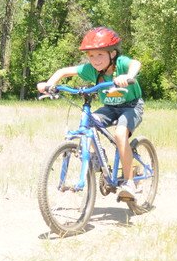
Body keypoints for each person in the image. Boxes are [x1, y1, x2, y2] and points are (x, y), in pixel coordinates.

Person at [37, 27, 143, 200]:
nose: (95, 60)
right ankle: (98, 157)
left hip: (131, 106)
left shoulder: (121, 63)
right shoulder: (91, 69)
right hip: (110, 107)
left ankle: (129, 182)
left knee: (120, 134)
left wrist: (128, 76)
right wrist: (49, 85)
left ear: (113, 53)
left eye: (100, 55)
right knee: (90, 120)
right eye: (91, 56)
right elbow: (63, 71)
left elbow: (135, 63)